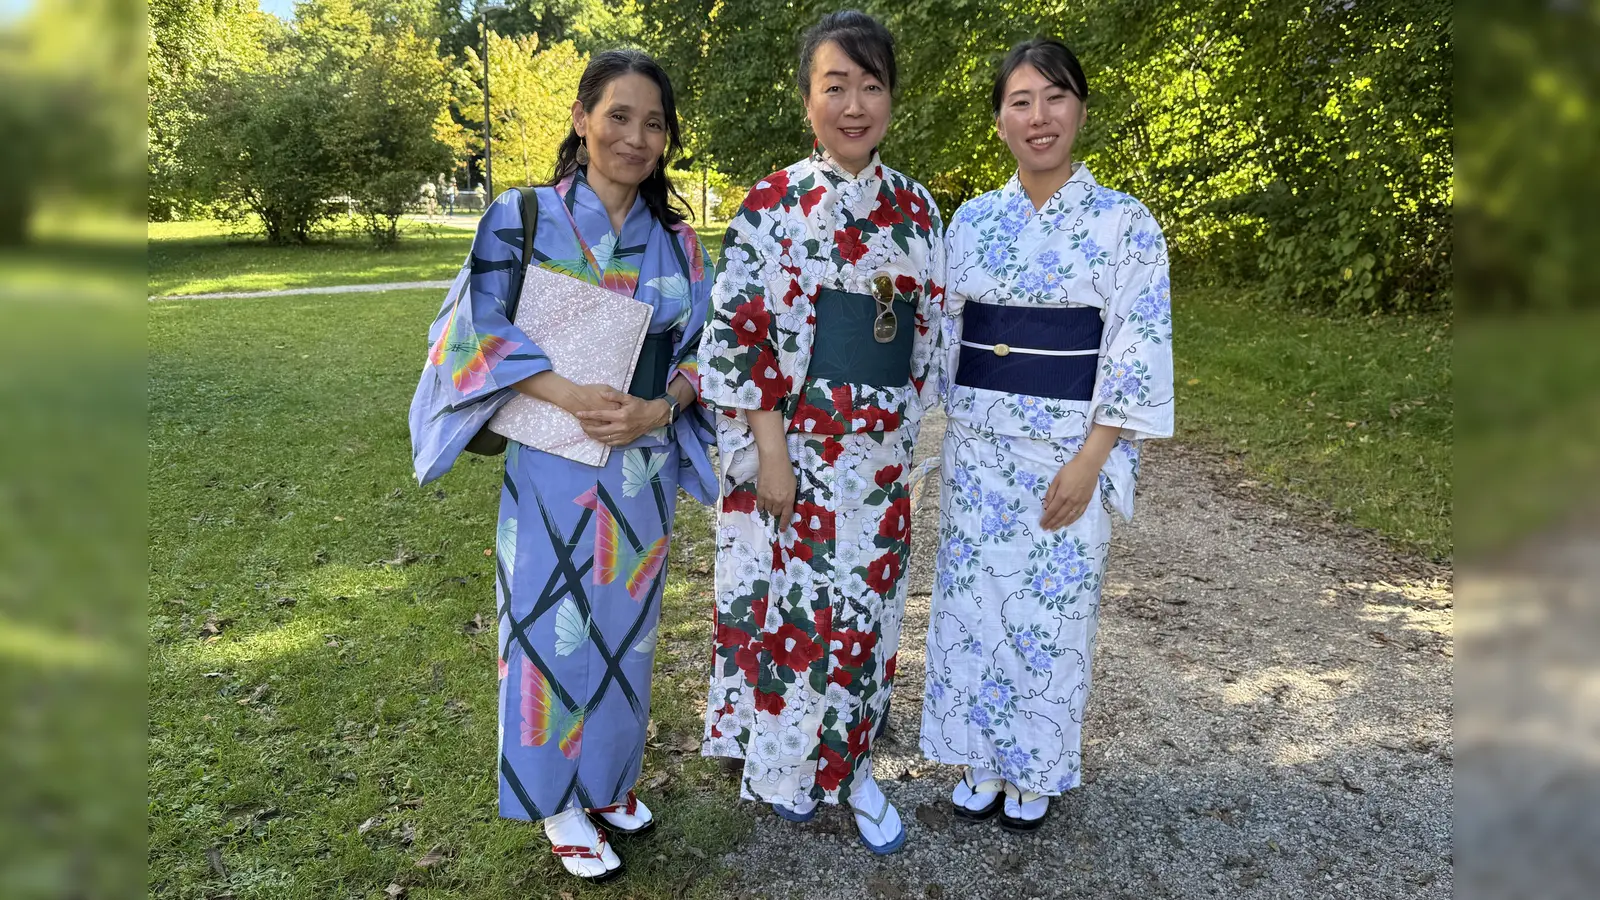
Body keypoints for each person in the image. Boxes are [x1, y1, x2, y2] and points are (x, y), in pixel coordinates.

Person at [408, 49, 716, 882]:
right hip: (550, 459)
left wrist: (663, 405)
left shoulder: (681, 246)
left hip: (639, 470)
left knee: (626, 633)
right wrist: (568, 390)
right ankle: (555, 801)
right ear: (582, 118)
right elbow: (471, 330)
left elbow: (709, 352)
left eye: (654, 123)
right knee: (547, 629)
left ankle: (610, 780)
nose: (636, 137)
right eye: (618, 116)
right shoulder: (524, 216)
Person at [697, 9, 944, 856]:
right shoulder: (772, 203)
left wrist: (907, 438)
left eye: (871, 86)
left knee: (867, 614)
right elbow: (741, 333)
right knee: (790, 610)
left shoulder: (916, 208)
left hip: (877, 452)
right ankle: (782, 765)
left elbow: (927, 338)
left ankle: (855, 765)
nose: (854, 105)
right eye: (835, 85)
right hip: (791, 443)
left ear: (890, 99)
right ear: (807, 97)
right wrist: (768, 450)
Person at [918, 37, 1174, 831]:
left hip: (1067, 451)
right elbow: (941, 333)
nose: (1039, 116)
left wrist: (1093, 459)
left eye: (1055, 97)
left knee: (1051, 613)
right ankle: (982, 759)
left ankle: (1036, 765)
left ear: (1080, 108)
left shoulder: (1126, 225)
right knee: (973, 605)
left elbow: (1135, 344)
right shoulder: (973, 222)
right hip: (979, 444)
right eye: (1021, 101)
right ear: (998, 119)